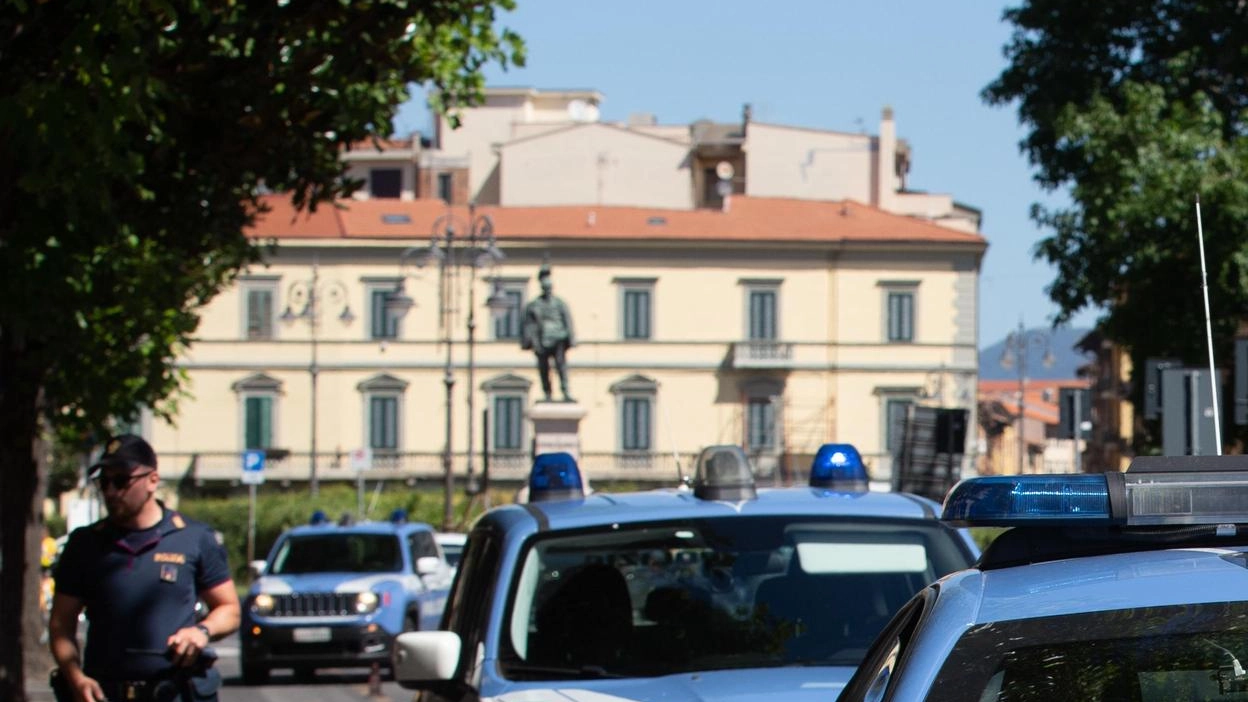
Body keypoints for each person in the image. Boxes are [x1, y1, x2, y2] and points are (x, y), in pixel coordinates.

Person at [49, 434, 240, 702]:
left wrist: (201, 632)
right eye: (104, 482)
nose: (111, 492)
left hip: (174, 692)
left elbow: (229, 609)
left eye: (121, 481)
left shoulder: (193, 538)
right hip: (106, 694)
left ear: (152, 480)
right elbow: (61, 624)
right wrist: (75, 677)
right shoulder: (85, 545)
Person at [521, 263, 575, 401]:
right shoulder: (534, 306)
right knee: (544, 369)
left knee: (561, 366)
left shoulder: (559, 303)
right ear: (542, 288)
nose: (548, 290)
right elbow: (528, 324)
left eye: (549, 288)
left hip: (558, 337)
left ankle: (565, 390)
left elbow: (567, 320)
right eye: (546, 288)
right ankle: (547, 393)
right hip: (541, 340)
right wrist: (529, 341)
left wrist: (570, 338)